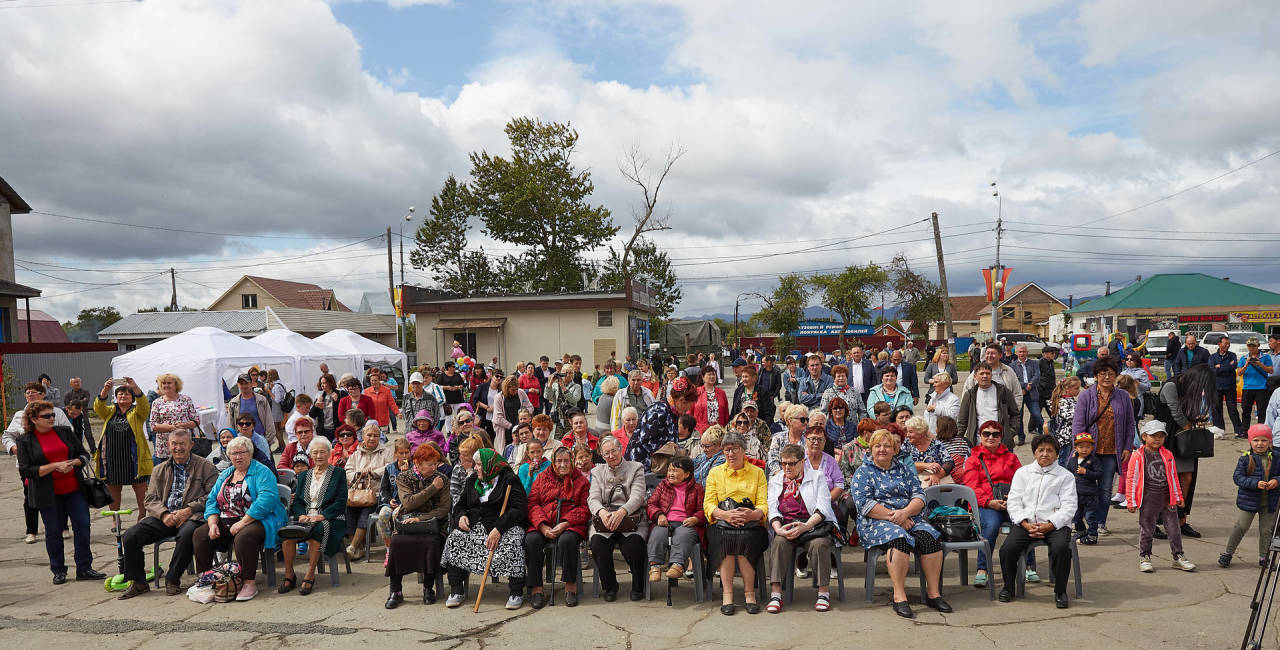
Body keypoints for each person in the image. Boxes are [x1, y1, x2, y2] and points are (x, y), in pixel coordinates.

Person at [849, 430, 951, 618]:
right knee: (899, 539)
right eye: (878, 445)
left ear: (895, 449)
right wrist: (895, 518)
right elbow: (865, 504)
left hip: (909, 517)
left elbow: (919, 495)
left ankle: (933, 594)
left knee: (930, 538)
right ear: (871, 449)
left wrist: (905, 513)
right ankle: (899, 596)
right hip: (876, 521)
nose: (882, 449)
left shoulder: (904, 469)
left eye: (887, 446)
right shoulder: (863, 472)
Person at [118, 427, 217, 599]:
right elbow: (150, 499)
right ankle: (139, 582)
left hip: (191, 516)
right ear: (168, 445)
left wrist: (189, 509)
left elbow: (212, 496)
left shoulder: (206, 467)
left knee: (187, 535)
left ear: (191, 444)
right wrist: (164, 515)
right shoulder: (160, 468)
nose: (178, 448)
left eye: (182, 444)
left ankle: (173, 579)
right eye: (174, 444)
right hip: (165, 517)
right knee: (131, 535)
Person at [15, 400, 103, 585]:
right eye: (46, 416)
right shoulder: (25, 440)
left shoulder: (64, 432)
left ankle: (84, 568)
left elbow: (84, 455)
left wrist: (74, 463)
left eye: (53, 414)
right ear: (33, 419)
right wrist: (54, 466)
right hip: (48, 494)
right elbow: (26, 470)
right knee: (53, 532)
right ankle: (58, 570)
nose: (52, 418)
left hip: (74, 490)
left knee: (83, 526)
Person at [193, 436, 288, 601]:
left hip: (258, 519)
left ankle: (249, 582)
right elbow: (212, 499)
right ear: (229, 456)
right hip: (227, 518)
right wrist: (213, 523)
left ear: (250, 453)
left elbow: (267, 499)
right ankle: (205, 580)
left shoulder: (262, 471)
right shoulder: (227, 474)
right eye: (234, 453)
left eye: (242, 452)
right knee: (200, 534)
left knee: (244, 536)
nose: (238, 457)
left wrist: (243, 522)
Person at [442, 448, 529, 610]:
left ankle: (516, 592)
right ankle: (456, 589)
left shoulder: (509, 479)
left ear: (490, 465)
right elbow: (460, 505)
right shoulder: (472, 479)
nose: (475, 468)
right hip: (476, 523)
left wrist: (499, 529)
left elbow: (519, 509)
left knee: (514, 541)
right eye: (475, 464)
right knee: (455, 538)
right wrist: (461, 516)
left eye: (480, 464)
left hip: (505, 524)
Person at [997, 434, 1078, 608]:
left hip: (1055, 525)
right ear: (1034, 453)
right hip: (1026, 524)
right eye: (1041, 450)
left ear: (1057, 454)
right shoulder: (1023, 473)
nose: (1045, 454)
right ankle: (1008, 587)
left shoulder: (1065, 476)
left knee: (1062, 549)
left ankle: (1060, 591)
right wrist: (1024, 523)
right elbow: (1014, 501)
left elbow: (1070, 506)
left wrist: (1050, 525)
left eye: (1050, 450)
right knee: (1007, 550)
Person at [765, 442, 837, 613]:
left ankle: (823, 593)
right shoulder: (776, 480)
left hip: (813, 525)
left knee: (819, 545)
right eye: (783, 463)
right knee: (779, 543)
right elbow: (772, 508)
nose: (787, 467)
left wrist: (806, 526)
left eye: (791, 463)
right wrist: (778, 529)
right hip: (787, 526)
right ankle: (776, 595)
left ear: (802, 462)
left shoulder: (818, 477)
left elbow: (824, 508)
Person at [960, 421, 1032, 588]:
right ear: (980, 436)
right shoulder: (973, 459)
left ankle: (1028, 565)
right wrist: (988, 502)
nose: (991, 437)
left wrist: (1013, 499)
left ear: (1001, 437)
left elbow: (1023, 482)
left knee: (1024, 522)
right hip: (986, 504)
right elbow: (971, 487)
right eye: (986, 433)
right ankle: (982, 569)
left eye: (995, 434)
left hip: (1010, 502)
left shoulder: (1011, 457)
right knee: (991, 526)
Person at [704, 432, 769, 616]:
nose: (730, 454)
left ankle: (749, 594)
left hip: (751, 524)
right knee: (725, 539)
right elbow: (708, 504)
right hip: (722, 523)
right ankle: (728, 594)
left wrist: (752, 515)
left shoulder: (757, 473)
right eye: (727, 450)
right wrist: (725, 515)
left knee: (746, 538)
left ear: (744, 450)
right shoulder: (715, 473)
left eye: (735, 449)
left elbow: (763, 504)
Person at [1074, 355, 1138, 538]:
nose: (1107, 378)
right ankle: (1081, 521)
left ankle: (1100, 522)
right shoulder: (1086, 395)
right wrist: (1078, 448)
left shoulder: (1123, 396)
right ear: (1096, 376)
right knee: (1082, 488)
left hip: (1111, 451)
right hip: (1088, 451)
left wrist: (1127, 447)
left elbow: (1129, 424)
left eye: (1111, 374)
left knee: (1104, 489)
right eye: (1102, 374)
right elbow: (1078, 424)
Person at [4, 382, 74, 544]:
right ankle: (32, 531)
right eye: (27, 393)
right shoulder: (19, 415)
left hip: (57, 464)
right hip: (30, 466)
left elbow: (69, 433)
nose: (30, 395)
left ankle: (63, 526)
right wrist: (14, 448)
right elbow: (8, 435)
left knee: (60, 495)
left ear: (43, 394)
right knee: (30, 497)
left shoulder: (56, 413)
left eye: (34, 392)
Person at [385, 441, 451, 608]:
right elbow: (408, 503)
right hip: (407, 522)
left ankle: (428, 588)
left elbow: (444, 508)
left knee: (431, 542)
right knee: (397, 542)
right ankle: (396, 590)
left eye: (436, 464)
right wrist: (432, 489)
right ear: (418, 463)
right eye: (430, 464)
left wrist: (421, 519)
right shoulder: (404, 477)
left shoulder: (442, 478)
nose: (434, 467)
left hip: (433, 524)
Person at [280, 436, 348, 596]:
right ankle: (289, 574)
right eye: (315, 452)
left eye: (322, 452)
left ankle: (310, 575)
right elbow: (297, 502)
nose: (319, 456)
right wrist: (301, 515)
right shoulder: (304, 475)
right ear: (310, 454)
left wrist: (322, 516)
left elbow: (341, 501)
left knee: (318, 531)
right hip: (306, 517)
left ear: (329, 453)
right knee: (287, 533)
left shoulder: (338, 474)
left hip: (331, 518)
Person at [1125, 420, 1196, 573]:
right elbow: (1132, 478)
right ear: (1144, 436)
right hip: (1148, 499)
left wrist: (1178, 496)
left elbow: (1173, 477)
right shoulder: (1137, 456)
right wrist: (1130, 500)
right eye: (1153, 436)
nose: (1157, 439)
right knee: (1147, 529)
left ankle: (1178, 557)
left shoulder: (1167, 454)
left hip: (1167, 497)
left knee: (1174, 528)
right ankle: (1145, 556)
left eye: (1161, 436)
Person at [523, 446, 589, 609]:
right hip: (544, 523)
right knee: (531, 540)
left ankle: (570, 587)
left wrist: (565, 522)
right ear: (553, 462)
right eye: (559, 461)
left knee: (567, 541)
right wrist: (543, 526)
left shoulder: (580, 481)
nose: (562, 465)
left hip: (570, 525)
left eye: (566, 461)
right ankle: (537, 589)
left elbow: (585, 508)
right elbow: (532, 504)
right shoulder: (542, 478)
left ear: (572, 462)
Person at [1154, 364, 1214, 540]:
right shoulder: (1171, 386)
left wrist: (1197, 418)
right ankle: (1156, 520)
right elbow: (1176, 413)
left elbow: (1186, 413)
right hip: (1168, 437)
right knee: (1165, 480)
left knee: (1188, 477)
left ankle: (1181, 519)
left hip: (1184, 437)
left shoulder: (1189, 388)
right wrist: (1189, 425)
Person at [587, 435, 648, 601]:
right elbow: (592, 498)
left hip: (630, 517)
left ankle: (638, 584)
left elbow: (638, 496)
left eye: (614, 451)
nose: (611, 456)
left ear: (621, 449)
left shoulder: (636, 468)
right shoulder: (597, 471)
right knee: (598, 544)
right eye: (606, 453)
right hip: (605, 519)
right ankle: (610, 585)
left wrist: (622, 511)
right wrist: (601, 512)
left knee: (633, 545)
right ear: (602, 455)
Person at [1221, 424, 1280, 568]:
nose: (1260, 444)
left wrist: (1277, 481)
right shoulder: (1246, 459)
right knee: (1241, 526)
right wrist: (1255, 483)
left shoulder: (1277, 458)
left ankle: (1263, 558)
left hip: (1270, 502)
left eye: (1264, 440)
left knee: (1267, 531)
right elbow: (1238, 477)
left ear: (1270, 442)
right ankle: (1228, 553)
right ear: (1250, 442)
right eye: (1256, 440)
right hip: (1249, 501)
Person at [93, 377, 152, 515]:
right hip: (112, 458)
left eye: (127, 394)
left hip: (134, 458)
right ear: (116, 397)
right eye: (120, 394)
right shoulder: (110, 411)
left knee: (141, 490)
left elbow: (144, 404)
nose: (124, 396)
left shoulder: (138, 412)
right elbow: (98, 407)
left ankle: (142, 516)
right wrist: (105, 390)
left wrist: (135, 387)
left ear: (132, 398)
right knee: (113, 490)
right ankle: (115, 518)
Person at [645, 455, 706, 586]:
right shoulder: (663, 486)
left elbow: (703, 509)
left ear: (687, 474)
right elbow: (651, 504)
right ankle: (655, 566)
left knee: (683, 536)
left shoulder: (697, 489)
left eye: (675, 471)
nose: (671, 474)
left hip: (687, 524)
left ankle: (677, 565)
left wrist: (696, 518)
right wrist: (659, 515)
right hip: (665, 522)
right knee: (657, 535)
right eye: (670, 470)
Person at [344, 427, 392, 560]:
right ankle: (359, 549)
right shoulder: (355, 454)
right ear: (363, 436)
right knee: (348, 513)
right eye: (369, 435)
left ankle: (353, 547)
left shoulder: (386, 452)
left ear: (379, 437)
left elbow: (390, 468)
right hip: (356, 493)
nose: (372, 438)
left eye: (376, 435)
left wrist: (373, 472)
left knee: (366, 513)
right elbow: (347, 471)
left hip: (375, 494)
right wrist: (358, 474)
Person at [957, 363, 1020, 447]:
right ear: (975, 377)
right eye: (981, 373)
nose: (985, 376)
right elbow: (962, 420)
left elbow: (1015, 414)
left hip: (1001, 442)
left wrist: (1009, 432)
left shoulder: (1003, 391)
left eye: (987, 373)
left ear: (991, 375)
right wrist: (957, 441)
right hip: (977, 443)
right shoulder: (970, 395)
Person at [147, 373, 200, 466]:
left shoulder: (186, 399)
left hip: (183, 442)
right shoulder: (157, 402)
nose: (166, 385)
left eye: (169, 383)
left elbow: (196, 421)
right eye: (163, 383)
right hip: (165, 445)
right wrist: (171, 427)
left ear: (176, 385)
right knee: (167, 473)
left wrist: (183, 425)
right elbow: (153, 425)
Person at [1066, 432, 1102, 544]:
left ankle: (1092, 535)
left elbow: (1099, 474)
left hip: (1090, 494)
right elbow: (1067, 474)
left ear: (1092, 447)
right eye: (1081, 447)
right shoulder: (1072, 461)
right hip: (1076, 494)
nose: (1084, 449)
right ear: (1075, 448)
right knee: (1076, 516)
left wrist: (1086, 472)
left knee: (1090, 516)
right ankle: (1082, 531)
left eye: (1088, 447)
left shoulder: (1094, 460)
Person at [228, 373, 278, 452]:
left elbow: (269, 421)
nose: (244, 386)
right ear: (238, 385)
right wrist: (233, 440)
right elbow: (231, 424)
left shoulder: (262, 400)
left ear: (251, 384)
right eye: (241, 383)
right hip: (242, 443)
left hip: (261, 440)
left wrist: (267, 440)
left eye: (246, 383)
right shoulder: (233, 403)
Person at [1009, 343, 1042, 446]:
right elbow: (1013, 380)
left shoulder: (1034, 363)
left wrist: (1030, 386)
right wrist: (1024, 386)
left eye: (1024, 351)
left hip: (1032, 393)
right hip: (1019, 394)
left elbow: (1037, 375)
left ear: (1027, 352)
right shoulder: (1012, 366)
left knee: (1037, 414)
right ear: (1016, 353)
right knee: (1019, 416)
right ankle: (1021, 437)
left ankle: (1042, 434)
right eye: (1020, 351)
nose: (1022, 353)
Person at [903, 416, 951, 487]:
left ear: (921, 433)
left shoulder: (936, 444)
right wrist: (926, 465)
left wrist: (938, 475)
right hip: (912, 484)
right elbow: (902, 463)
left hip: (937, 484)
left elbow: (949, 462)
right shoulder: (906, 444)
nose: (907, 435)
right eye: (907, 431)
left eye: (910, 432)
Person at [1238, 337, 1274, 430]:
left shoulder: (1265, 357)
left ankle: (1261, 430)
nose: (1251, 348)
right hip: (1247, 387)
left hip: (1261, 388)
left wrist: (1260, 364)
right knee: (1246, 410)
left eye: (1253, 346)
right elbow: (1239, 373)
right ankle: (1244, 430)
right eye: (1249, 346)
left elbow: (1271, 370)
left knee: (1262, 411)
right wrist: (1246, 364)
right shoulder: (1243, 358)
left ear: (1258, 346)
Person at [492, 375, 534, 452]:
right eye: (513, 390)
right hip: (506, 430)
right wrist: (512, 427)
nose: (515, 391)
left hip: (521, 427)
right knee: (508, 451)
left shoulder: (521, 392)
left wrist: (525, 416)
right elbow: (498, 418)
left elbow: (530, 407)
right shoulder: (498, 397)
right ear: (506, 388)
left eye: (516, 389)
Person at [1046, 376, 1082, 464]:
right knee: (1064, 461)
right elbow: (1068, 415)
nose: (1079, 391)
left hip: (1069, 435)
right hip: (1064, 437)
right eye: (1076, 388)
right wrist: (1081, 411)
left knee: (1068, 459)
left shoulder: (1069, 399)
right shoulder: (1062, 401)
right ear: (1067, 388)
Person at [768, 404, 809, 476]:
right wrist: (783, 477)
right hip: (779, 477)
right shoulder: (778, 438)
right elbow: (772, 460)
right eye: (802, 420)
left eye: (807, 420)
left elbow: (808, 463)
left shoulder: (808, 440)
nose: (805, 422)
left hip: (803, 477)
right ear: (790, 421)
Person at [362, 372, 400, 441]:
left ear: (379, 380)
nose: (374, 382)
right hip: (371, 421)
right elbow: (364, 406)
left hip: (383, 420)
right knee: (372, 440)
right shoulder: (366, 391)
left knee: (382, 440)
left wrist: (397, 413)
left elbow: (392, 403)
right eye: (372, 380)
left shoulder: (386, 390)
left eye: (376, 380)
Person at [693, 366, 730, 433]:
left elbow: (726, 414)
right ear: (703, 377)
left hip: (719, 431)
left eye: (713, 374)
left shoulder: (722, 393)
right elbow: (690, 413)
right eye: (709, 374)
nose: (712, 377)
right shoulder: (696, 392)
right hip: (701, 431)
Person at [312, 374, 343, 441]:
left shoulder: (340, 394)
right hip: (323, 430)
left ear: (330, 382)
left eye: (324, 383)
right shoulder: (320, 396)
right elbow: (312, 414)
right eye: (321, 383)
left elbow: (343, 411)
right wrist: (316, 405)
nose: (322, 385)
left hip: (337, 429)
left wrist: (337, 401)